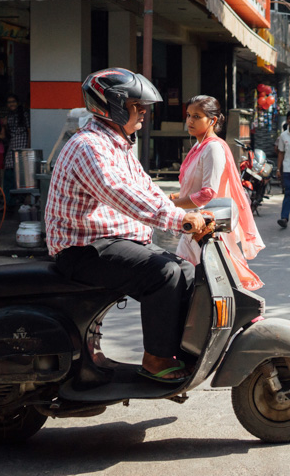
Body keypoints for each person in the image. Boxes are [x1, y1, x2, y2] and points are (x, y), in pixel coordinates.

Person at [46, 68, 206, 384]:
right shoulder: (90, 146)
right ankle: (156, 359)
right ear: (114, 105)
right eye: (137, 105)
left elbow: (144, 188)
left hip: (109, 241)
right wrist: (178, 220)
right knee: (164, 273)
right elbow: (121, 194)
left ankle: (181, 352)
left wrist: (188, 213)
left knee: (186, 270)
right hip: (83, 249)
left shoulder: (117, 143)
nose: (144, 112)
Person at [172, 95, 264, 291]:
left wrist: (175, 204)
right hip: (193, 225)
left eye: (197, 116)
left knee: (218, 288)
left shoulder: (213, 148)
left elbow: (207, 194)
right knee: (194, 286)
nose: (189, 121)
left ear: (212, 121)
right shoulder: (198, 147)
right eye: (188, 115)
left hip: (206, 229)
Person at [3, 94, 30, 202]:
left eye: (13, 101)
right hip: (13, 143)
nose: (11, 104)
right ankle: (9, 200)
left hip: (22, 142)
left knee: (20, 171)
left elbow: (29, 131)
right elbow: (8, 134)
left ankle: (18, 199)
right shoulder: (8, 116)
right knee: (9, 169)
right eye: (9, 102)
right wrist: (4, 125)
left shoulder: (24, 115)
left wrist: (28, 146)